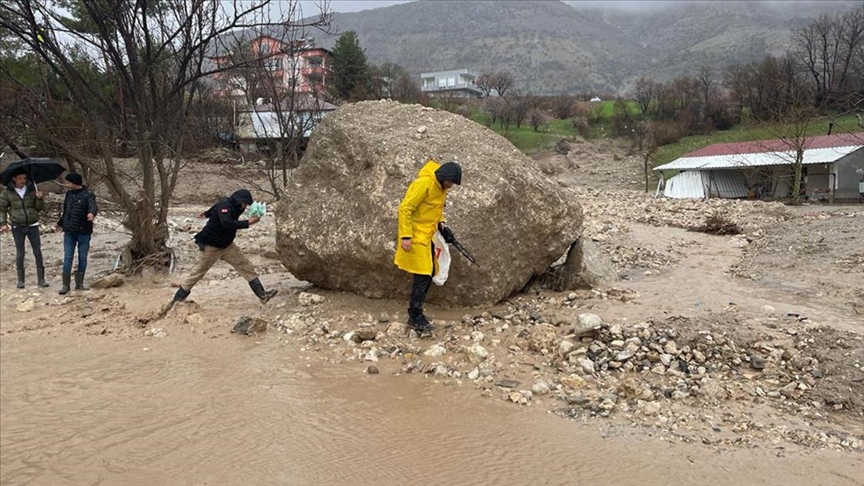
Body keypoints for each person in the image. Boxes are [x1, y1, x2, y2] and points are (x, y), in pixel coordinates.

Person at [169, 189, 277, 307]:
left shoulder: (234, 206)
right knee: (197, 274)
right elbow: (226, 223)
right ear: (238, 200)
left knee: (246, 267)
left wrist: (206, 213)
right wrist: (248, 223)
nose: (245, 206)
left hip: (227, 245)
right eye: (245, 203)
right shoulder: (225, 206)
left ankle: (263, 295)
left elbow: (215, 208)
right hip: (211, 246)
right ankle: (176, 302)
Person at [394, 159, 462, 333]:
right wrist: (406, 236)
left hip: (429, 235)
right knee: (423, 274)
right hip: (416, 235)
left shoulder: (441, 188)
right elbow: (405, 208)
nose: (451, 186)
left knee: (430, 271)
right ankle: (414, 315)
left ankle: (416, 312)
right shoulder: (423, 184)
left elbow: (435, 210)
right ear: (443, 177)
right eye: (450, 182)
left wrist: (442, 224)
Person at [0, 169, 48, 288]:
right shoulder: (7, 193)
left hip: (33, 225)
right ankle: (21, 280)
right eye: (20, 178)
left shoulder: (32, 190)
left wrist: (39, 199)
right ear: (14, 179)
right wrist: (3, 223)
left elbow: (40, 208)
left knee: (37, 252)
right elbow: (2, 209)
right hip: (17, 225)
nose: (23, 181)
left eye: (24, 178)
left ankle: (41, 279)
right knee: (20, 252)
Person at [55, 172, 98, 295]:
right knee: (68, 257)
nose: (67, 184)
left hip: (84, 231)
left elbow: (93, 207)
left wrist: (91, 214)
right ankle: (65, 286)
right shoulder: (69, 195)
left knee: (82, 257)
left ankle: (79, 284)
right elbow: (66, 212)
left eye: (68, 182)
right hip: (69, 231)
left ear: (74, 183)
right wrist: (59, 224)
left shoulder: (89, 195)